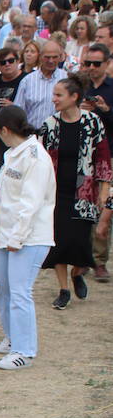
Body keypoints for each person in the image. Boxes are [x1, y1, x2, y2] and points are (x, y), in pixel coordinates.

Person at [0, 107, 56, 368]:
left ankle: (24, 351)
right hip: (4, 234)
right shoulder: (13, 153)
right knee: (0, 288)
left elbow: (31, 202)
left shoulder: (35, 157)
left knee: (20, 292)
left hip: (30, 238)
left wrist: (18, 237)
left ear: (4, 130)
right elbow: (14, 192)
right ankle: (13, 338)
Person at [40, 76, 112, 309]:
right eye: (54, 94)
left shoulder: (92, 122)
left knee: (80, 242)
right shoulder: (50, 124)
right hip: (56, 192)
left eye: (59, 95)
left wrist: (103, 191)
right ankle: (63, 289)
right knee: (58, 242)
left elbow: (102, 157)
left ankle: (77, 273)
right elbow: (41, 158)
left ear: (74, 97)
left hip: (84, 191)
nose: (54, 99)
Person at [80, 44, 113, 280]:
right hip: (84, 154)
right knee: (83, 205)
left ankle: (99, 261)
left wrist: (105, 110)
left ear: (107, 63)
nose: (92, 68)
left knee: (104, 207)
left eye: (96, 64)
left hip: (109, 154)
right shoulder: (80, 87)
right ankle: (83, 257)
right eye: (88, 63)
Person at [0, 44, 28, 171]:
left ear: (18, 61)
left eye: (11, 61)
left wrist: (14, 106)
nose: (7, 64)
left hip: (16, 130)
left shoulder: (25, 79)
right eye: (2, 62)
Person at [14, 41, 68, 126]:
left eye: (54, 57)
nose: (51, 61)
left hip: (59, 134)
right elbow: (18, 112)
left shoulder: (67, 79)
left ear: (60, 57)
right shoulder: (27, 81)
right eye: (47, 57)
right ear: (40, 56)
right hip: (33, 134)